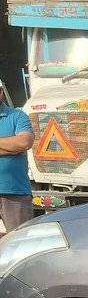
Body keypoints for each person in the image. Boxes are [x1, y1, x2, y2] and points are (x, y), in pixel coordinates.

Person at [0, 93, 35, 234]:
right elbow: (17, 145)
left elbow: (24, 142)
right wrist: (11, 148)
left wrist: (18, 146)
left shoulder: (18, 116)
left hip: (15, 192)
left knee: (19, 242)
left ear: (1, 92)